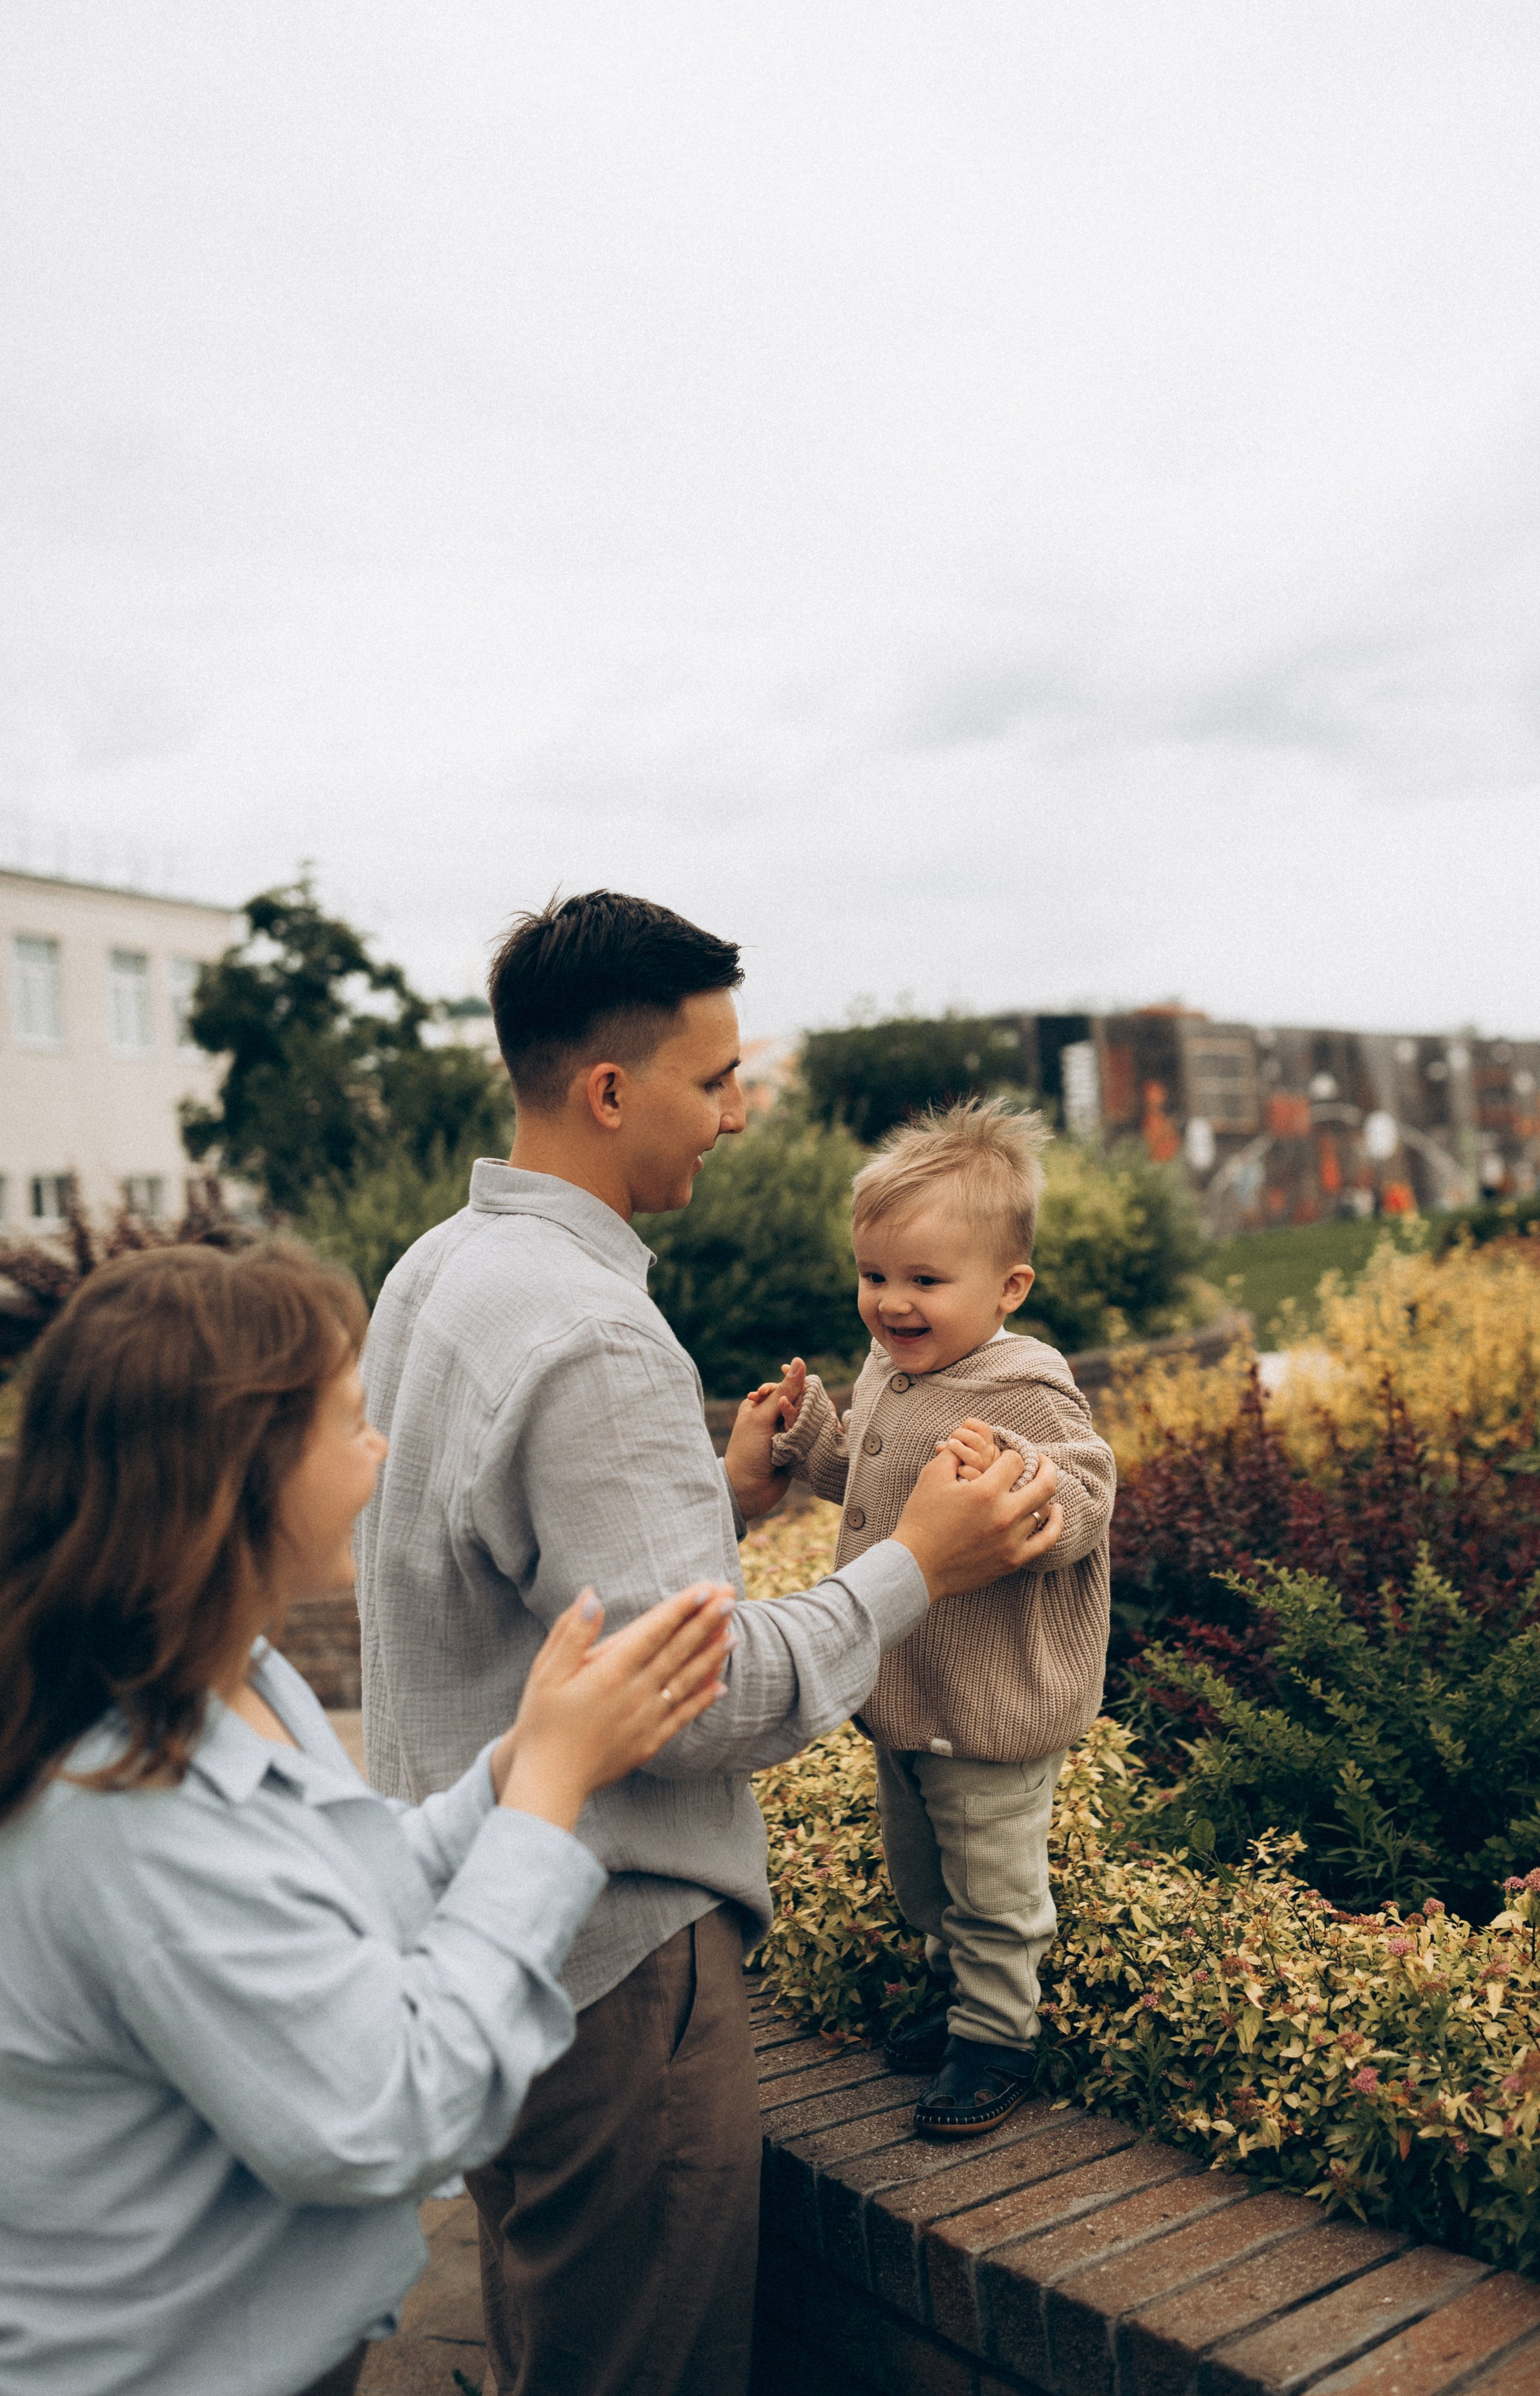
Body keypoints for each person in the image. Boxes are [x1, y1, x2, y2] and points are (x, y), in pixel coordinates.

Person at [355, 888, 1064, 2396]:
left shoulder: (434, 1272)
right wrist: (911, 1568)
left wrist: (724, 1509)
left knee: (559, 2336)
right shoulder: (597, 1333)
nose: (739, 1113)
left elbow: (518, 1591)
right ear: (611, 1091)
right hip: (615, 1968)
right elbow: (706, 1700)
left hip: (483, 1916)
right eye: (718, 1077)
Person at [0, 1241, 733, 2396]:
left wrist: (519, 1762)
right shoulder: (125, 1807)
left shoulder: (219, 1675)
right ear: (243, 1466)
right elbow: (391, 2114)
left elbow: (341, 1889)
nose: (378, 1451)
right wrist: (548, 1799)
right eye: (348, 1423)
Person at [725, 1099, 1115, 2138]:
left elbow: (1089, 1490)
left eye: (925, 1282)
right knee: (924, 1872)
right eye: (875, 1276)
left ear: (1009, 1288)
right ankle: (953, 1997)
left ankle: (997, 2039)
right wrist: (808, 1431)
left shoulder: (1025, 1388)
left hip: (990, 1699)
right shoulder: (899, 1375)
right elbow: (862, 1475)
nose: (892, 1303)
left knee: (992, 1882)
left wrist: (1024, 1479)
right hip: (905, 1685)